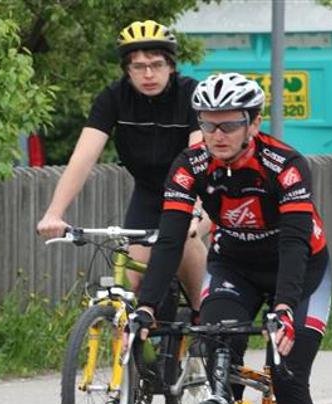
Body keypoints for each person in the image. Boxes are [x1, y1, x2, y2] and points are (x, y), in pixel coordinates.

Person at [133, 72, 332, 404]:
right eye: (207, 124)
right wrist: (145, 307)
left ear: (253, 123)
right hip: (234, 266)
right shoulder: (191, 164)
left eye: (228, 124)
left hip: (299, 270)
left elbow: (294, 242)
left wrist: (284, 307)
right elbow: (171, 240)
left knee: (288, 376)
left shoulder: (284, 164)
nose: (216, 134)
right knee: (215, 340)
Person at [37, 19, 208, 311]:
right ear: (127, 70)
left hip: (197, 192)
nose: (148, 74)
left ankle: (203, 315)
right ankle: (147, 336)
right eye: (138, 67)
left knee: (182, 238)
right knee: (137, 279)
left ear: (171, 66)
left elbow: (200, 160)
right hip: (149, 192)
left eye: (156, 64)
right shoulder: (113, 98)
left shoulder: (191, 95)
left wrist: (196, 212)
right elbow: (82, 159)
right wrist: (54, 213)